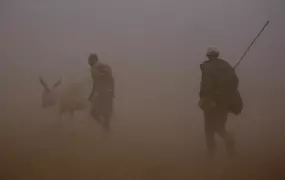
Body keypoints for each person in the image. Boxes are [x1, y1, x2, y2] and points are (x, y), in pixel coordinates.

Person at [199, 47, 243, 158]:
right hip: (225, 102)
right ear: (217, 55)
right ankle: (229, 140)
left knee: (209, 128)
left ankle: (211, 153)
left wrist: (204, 97)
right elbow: (235, 82)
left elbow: (206, 86)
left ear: (208, 56)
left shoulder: (208, 67)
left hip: (212, 102)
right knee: (220, 125)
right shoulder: (226, 65)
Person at [88, 53, 115, 131]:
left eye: (89, 61)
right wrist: (112, 92)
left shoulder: (94, 68)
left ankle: (106, 129)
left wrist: (91, 95)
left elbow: (96, 83)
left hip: (103, 94)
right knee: (107, 115)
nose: (88, 63)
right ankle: (107, 134)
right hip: (109, 93)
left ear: (94, 60)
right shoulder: (106, 67)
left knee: (93, 113)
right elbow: (112, 80)